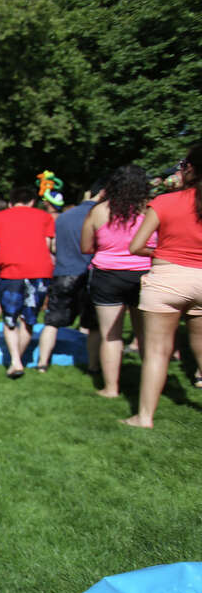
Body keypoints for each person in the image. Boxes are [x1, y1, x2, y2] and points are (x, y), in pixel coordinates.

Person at [124, 145, 202, 428]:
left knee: (157, 352)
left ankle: (144, 417)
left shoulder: (165, 202)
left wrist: (161, 252)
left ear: (189, 169)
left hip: (167, 281)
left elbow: (136, 246)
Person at [80, 166, 152, 398]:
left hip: (108, 276)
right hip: (144, 275)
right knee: (146, 336)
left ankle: (111, 388)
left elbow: (86, 247)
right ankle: (148, 386)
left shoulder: (99, 211)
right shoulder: (152, 210)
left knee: (111, 335)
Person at [0, 185, 56, 378]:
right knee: (28, 319)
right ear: (32, 201)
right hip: (40, 271)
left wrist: (6, 260)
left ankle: (15, 361)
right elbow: (48, 245)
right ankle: (19, 360)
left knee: (10, 319)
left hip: (11, 272)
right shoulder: (45, 217)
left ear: (10, 201)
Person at [36, 182, 102, 373]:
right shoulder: (100, 216)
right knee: (93, 326)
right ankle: (93, 366)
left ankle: (42, 363)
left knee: (52, 322)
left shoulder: (63, 217)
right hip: (89, 273)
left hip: (63, 272)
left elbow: (54, 246)